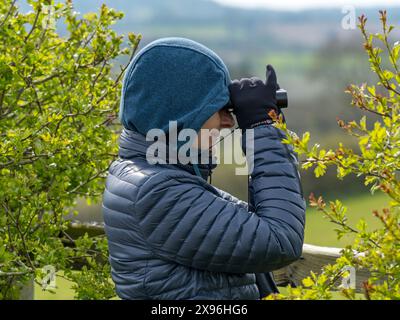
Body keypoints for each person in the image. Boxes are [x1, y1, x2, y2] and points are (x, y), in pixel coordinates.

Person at [102, 37, 306, 300]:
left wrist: (264, 128)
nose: (228, 121)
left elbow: (254, 227)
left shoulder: (149, 173)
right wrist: (262, 129)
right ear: (180, 116)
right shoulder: (157, 192)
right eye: (218, 108)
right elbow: (280, 240)